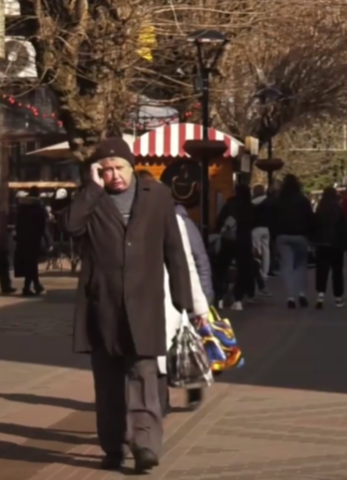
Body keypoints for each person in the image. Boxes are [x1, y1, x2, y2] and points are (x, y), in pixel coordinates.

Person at [63, 138, 192, 473]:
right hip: (101, 305)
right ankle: (113, 447)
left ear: (131, 165)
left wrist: (184, 300)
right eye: (105, 170)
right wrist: (91, 189)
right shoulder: (92, 199)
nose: (114, 175)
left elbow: (174, 250)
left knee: (145, 376)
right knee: (107, 385)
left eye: (118, 167)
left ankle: (146, 445)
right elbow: (71, 226)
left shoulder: (157, 196)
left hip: (145, 303)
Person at [159, 202, 212, 416]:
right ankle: (160, 400)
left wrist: (202, 302)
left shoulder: (181, 222)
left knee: (187, 347)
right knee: (162, 352)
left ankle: (194, 388)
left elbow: (198, 261)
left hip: (183, 298)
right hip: (163, 301)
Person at [213, 184, 256, 311]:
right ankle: (238, 300)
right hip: (244, 242)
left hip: (228, 241)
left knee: (221, 269)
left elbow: (219, 221)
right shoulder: (251, 207)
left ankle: (219, 298)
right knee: (243, 270)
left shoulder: (229, 205)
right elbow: (254, 223)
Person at [274, 174, 314, 309]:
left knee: (287, 266)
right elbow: (310, 218)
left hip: (283, 236)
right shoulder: (303, 200)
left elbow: (273, 219)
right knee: (301, 266)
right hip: (300, 236)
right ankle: (301, 293)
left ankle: (290, 297)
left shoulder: (279, 200)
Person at [312, 186, 347, 309]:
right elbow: (344, 226)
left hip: (321, 243)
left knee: (321, 270)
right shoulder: (338, 208)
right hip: (336, 244)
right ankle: (338, 298)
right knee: (337, 271)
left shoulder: (320, 208)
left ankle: (320, 295)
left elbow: (315, 225)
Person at [14, 187, 51, 296]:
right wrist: (48, 241)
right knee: (32, 263)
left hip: (23, 240)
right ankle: (29, 287)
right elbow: (43, 226)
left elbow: (18, 224)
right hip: (34, 239)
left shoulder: (22, 207)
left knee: (30, 263)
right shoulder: (38, 208)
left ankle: (35, 285)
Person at [251, 184, 275, 296]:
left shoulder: (254, 203)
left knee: (257, 251)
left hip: (256, 228)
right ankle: (265, 273)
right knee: (266, 251)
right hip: (267, 228)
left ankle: (258, 271)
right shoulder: (270, 202)